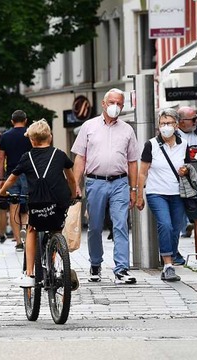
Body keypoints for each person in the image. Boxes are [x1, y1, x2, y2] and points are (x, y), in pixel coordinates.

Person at [0, 119, 77, 287]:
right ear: (51, 137)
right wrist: (74, 193)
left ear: (32, 140)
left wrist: (2, 192)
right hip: (59, 201)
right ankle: (60, 263)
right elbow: (70, 178)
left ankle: (30, 273)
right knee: (56, 227)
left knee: (32, 228)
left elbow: (12, 178)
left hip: (38, 202)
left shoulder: (27, 157)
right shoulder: (60, 154)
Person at [71, 88, 139, 284]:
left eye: (119, 104)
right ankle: (95, 263)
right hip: (95, 181)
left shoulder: (127, 129)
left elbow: (133, 161)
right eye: (112, 103)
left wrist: (134, 189)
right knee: (94, 226)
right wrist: (76, 185)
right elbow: (80, 158)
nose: (115, 107)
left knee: (121, 225)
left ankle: (121, 269)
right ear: (103, 104)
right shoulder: (88, 126)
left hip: (120, 182)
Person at [136, 108, 188, 282]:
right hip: (156, 192)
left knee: (176, 228)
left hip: (177, 193)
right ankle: (168, 265)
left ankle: (169, 257)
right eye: (162, 123)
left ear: (177, 125)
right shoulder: (150, 145)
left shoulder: (184, 144)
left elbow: (190, 166)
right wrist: (138, 194)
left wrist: (185, 170)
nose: (165, 127)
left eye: (169, 123)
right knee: (165, 225)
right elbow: (142, 172)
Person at [176, 106, 197, 260]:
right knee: (174, 219)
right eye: (193, 119)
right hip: (177, 180)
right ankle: (172, 253)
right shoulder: (173, 135)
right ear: (181, 121)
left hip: (196, 179)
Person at [0, 110, 33, 251]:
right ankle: (27, 236)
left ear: (12, 121)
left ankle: (18, 241)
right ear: (25, 120)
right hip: (29, 173)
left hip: (12, 174)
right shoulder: (30, 134)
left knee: (14, 207)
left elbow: (1, 158)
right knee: (27, 207)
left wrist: (1, 178)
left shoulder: (5, 136)